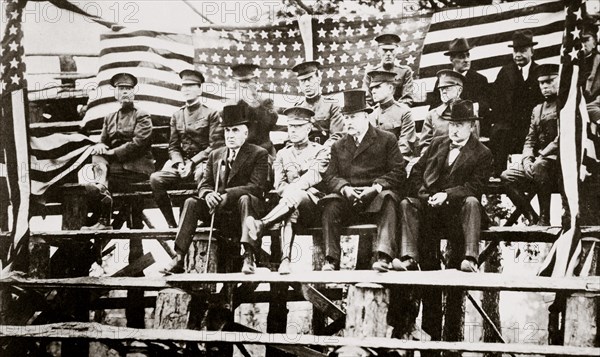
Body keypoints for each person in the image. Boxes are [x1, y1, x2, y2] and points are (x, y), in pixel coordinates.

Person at [163, 104, 269, 275]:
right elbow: (205, 183)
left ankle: (249, 257)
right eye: (227, 131)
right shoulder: (216, 154)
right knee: (191, 202)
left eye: (235, 130)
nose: (230, 135)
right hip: (218, 212)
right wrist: (207, 194)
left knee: (246, 198)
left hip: (244, 213)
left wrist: (227, 194)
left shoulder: (259, 154)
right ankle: (179, 256)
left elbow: (256, 187)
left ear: (246, 133)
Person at [401, 100, 492, 273]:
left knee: (472, 201)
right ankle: (409, 257)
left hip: (458, 215)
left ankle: (470, 259)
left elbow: (475, 186)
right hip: (431, 212)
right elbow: (416, 173)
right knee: (407, 204)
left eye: (459, 125)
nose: (454, 130)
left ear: (472, 126)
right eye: (451, 125)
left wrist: (447, 195)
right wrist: (426, 196)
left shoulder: (482, 153)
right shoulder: (436, 143)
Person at [320, 90, 406, 272]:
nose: (348, 122)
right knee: (330, 203)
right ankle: (331, 259)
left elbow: (398, 171)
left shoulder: (387, 139)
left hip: (375, 198)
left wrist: (376, 187)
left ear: (366, 116)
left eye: (353, 117)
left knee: (389, 199)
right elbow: (329, 176)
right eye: (346, 117)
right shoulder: (338, 145)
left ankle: (384, 257)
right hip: (349, 200)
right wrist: (344, 189)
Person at [245, 107, 329, 274]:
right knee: (291, 211)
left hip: (315, 206)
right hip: (289, 208)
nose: (294, 131)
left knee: (295, 195)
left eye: (298, 126)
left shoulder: (321, 151)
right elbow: (279, 184)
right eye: (291, 127)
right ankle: (285, 261)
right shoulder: (282, 154)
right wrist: (289, 192)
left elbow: (313, 177)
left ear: (309, 128)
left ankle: (263, 224)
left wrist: (291, 190)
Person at [149, 69, 223, 228]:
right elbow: (173, 146)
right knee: (155, 179)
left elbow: (214, 146)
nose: (187, 90)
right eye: (184, 86)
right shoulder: (177, 115)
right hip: (182, 165)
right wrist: (179, 163)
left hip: (203, 162)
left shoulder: (211, 114)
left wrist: (192, 163)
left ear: (200, 89)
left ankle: (205, 218)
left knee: (202, 175)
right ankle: (172, 223)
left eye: (191, 86)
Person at [83, 73, 154, 230]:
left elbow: (139, 144)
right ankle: (101, 188)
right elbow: (103, 140)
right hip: (115, 168)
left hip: (137, 166)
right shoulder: (109, 117)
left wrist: (111, 153)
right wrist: (100, 145)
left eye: (128, 89)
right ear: (115, 93)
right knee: (96, 154)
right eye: (121, 89)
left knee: (95, 180)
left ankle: (103, 218)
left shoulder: (142, 115)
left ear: (133, 92)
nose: (125, 92)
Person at [500, 64, 560, 226]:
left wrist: (541, 156)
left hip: (557, 164)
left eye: (550, 81)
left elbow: (561, 138)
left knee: (540, 166)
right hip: (538, 164)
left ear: (560, 79)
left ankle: (544, 218)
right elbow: (530, 139)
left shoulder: (564, 106)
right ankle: (531, 215)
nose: (545, 86)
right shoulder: (538, 109)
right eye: (541, 83)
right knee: (507, 176)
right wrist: (527, 159)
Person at [490, 30, 544, 177]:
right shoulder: (505, 72)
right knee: (500, 132)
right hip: (509, 126)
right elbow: (495, 101)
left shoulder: (539, 72)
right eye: (515, 51)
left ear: (532, 51)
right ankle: (499, 174)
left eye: (523, 50)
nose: (518, 54)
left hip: (532, 126)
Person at [427, 38, 491, 136]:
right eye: (461, 57)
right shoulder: (443, 80)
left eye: (468, 55)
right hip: (447, 129)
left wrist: (467, 108)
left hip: (473, 130)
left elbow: (485, 105)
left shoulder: (480, 80)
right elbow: (434, 107)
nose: (466, 60)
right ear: (451, 59)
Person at [367, 70, 417, 161]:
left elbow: (405, 147)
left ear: (390, 88)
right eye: (371, 88)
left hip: (397, 161)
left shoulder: (404, 112)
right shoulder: (371, 114)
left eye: (377, 87)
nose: (373, 91)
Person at [292, 61, 344, 146]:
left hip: (326, 152)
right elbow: (292, 138)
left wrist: (321, 151)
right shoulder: (297, 108)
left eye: (310, 79)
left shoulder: (332, 105)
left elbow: (337, 136)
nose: (307, 84)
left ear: (319, 80)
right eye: (302, 81)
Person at [231, 63, 279, 156]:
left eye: (248, 81)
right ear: (235, 83)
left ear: (255, 81)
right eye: (241, 82)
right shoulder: (231, 105)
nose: (244, 85)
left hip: (264, 150)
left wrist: (254, 103)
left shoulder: (266, 102)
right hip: (240, 152)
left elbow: (270, 124)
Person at [419, 70, 469, 156]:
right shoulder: (432, 115)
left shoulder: (470, 113)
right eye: (441, 89)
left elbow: (473, 144)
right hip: (436, 161)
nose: (444, 91)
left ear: (459, 90)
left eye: (447, 88)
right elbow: (425, 145)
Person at [363, 33, 414, 107]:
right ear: (378, 53)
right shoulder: (370, 73)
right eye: (385, 50)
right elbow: (366, 100)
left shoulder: (405, 71)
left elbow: (407, 99)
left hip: (399, 112)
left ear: (396, 52)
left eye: (391, 50)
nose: (388, 54)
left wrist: (394, 111)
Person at [581, 24, 600, 102]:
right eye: (580, 41)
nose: (582, 45)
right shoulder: (572, 64)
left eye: (586, 40)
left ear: (594, 43)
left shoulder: (598, 61)